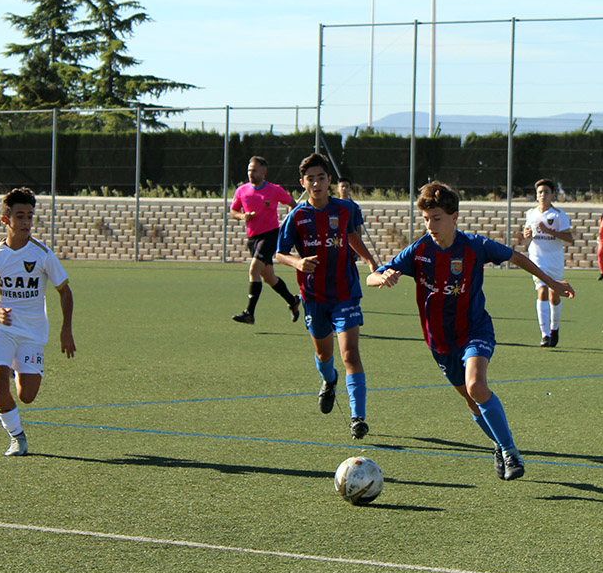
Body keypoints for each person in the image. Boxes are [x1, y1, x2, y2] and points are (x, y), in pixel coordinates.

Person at [367, 181, 575, 480]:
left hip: (474, 329)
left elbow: (516, 257)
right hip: (439, 342)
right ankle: (497, 445)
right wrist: (383, 277)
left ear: (454, 217)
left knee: (477, 386)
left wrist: (553, 282)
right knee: (471, 401)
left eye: (436, 218)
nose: (431, 225)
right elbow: (370, 278)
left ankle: (510, 450)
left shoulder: (476, 246)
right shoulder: (419, 251)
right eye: (426, 219)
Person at [276, 154, 379, 440]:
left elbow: (352, 237)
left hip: (345, 293)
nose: (317, 183)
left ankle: (358, 418)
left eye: (321, 177)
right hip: (313, 296)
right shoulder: (296, 216)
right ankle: (329, 380)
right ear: (303, 183)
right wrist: (296, 263)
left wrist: (370, 261)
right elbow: (279, 253)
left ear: (329, 180)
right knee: (324, 354)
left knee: (350, 354)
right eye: (311, 178)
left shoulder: (346, 209)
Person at [0, 187, 76, 456]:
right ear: (6, 220)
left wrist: (66, 330)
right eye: (20, 217)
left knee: (26, 395)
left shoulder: (42, 254)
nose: (27, 223)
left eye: (30, 216)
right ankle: (16, 437)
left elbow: (64, 290)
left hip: (32, 330)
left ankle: (17, 366)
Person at [230, 156, 300, 325]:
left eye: (254, 170)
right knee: (269, 278)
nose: (250, 173)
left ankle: (249, 313)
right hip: (252, 238)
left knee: (254, 269)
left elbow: (293, 204)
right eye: (249, 170)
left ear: (263, 172)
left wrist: (288, 221)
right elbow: (233, 211)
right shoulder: (242, 190)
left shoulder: (274, 190)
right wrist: (242, 216)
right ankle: (293, 301)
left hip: (270, 236)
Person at [523, 178, 573, 347]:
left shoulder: (559, 215)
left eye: (546, 192)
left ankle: (554, 328)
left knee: (554, 294)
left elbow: (569, 238)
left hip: (554, 260)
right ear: (536, 196)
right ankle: (544, 335)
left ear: (552, 195)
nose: (542, 195)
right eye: (539, 193)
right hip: (537, 259)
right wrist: (526, 235)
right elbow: (526, 239)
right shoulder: (531, 214)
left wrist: (550, 232)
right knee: (542, 290)